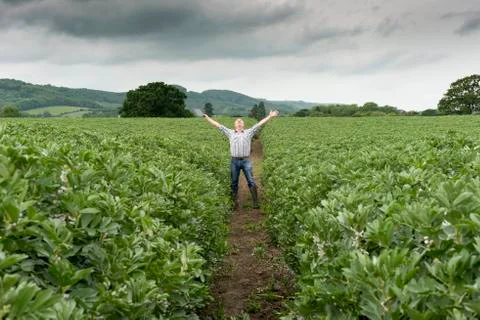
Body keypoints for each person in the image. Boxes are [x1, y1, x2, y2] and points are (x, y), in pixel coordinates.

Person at [203, 110, 279, 209]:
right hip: (234, 161)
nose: (239, 122)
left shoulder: (249, 132)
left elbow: (259, 124)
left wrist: (269, 116)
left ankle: (256, 202)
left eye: (241, 121)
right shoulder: (230, 132)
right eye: (237, 121)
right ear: (235, 125)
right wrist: (207, 118)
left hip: (246, 160)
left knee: (251, 181)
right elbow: (218, 125)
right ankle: (234, 203)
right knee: (234, 182)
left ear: (243, 125)